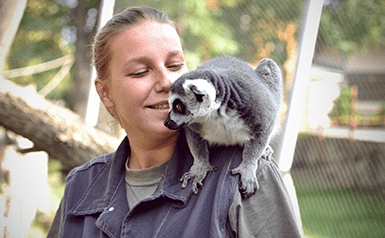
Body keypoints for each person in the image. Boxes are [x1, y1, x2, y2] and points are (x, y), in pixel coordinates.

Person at [48, 6, 302, 238]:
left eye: (175, 65)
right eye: (140, 72)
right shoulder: (81, 185)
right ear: (105, 93)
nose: (167, 83)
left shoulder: (243, 173)